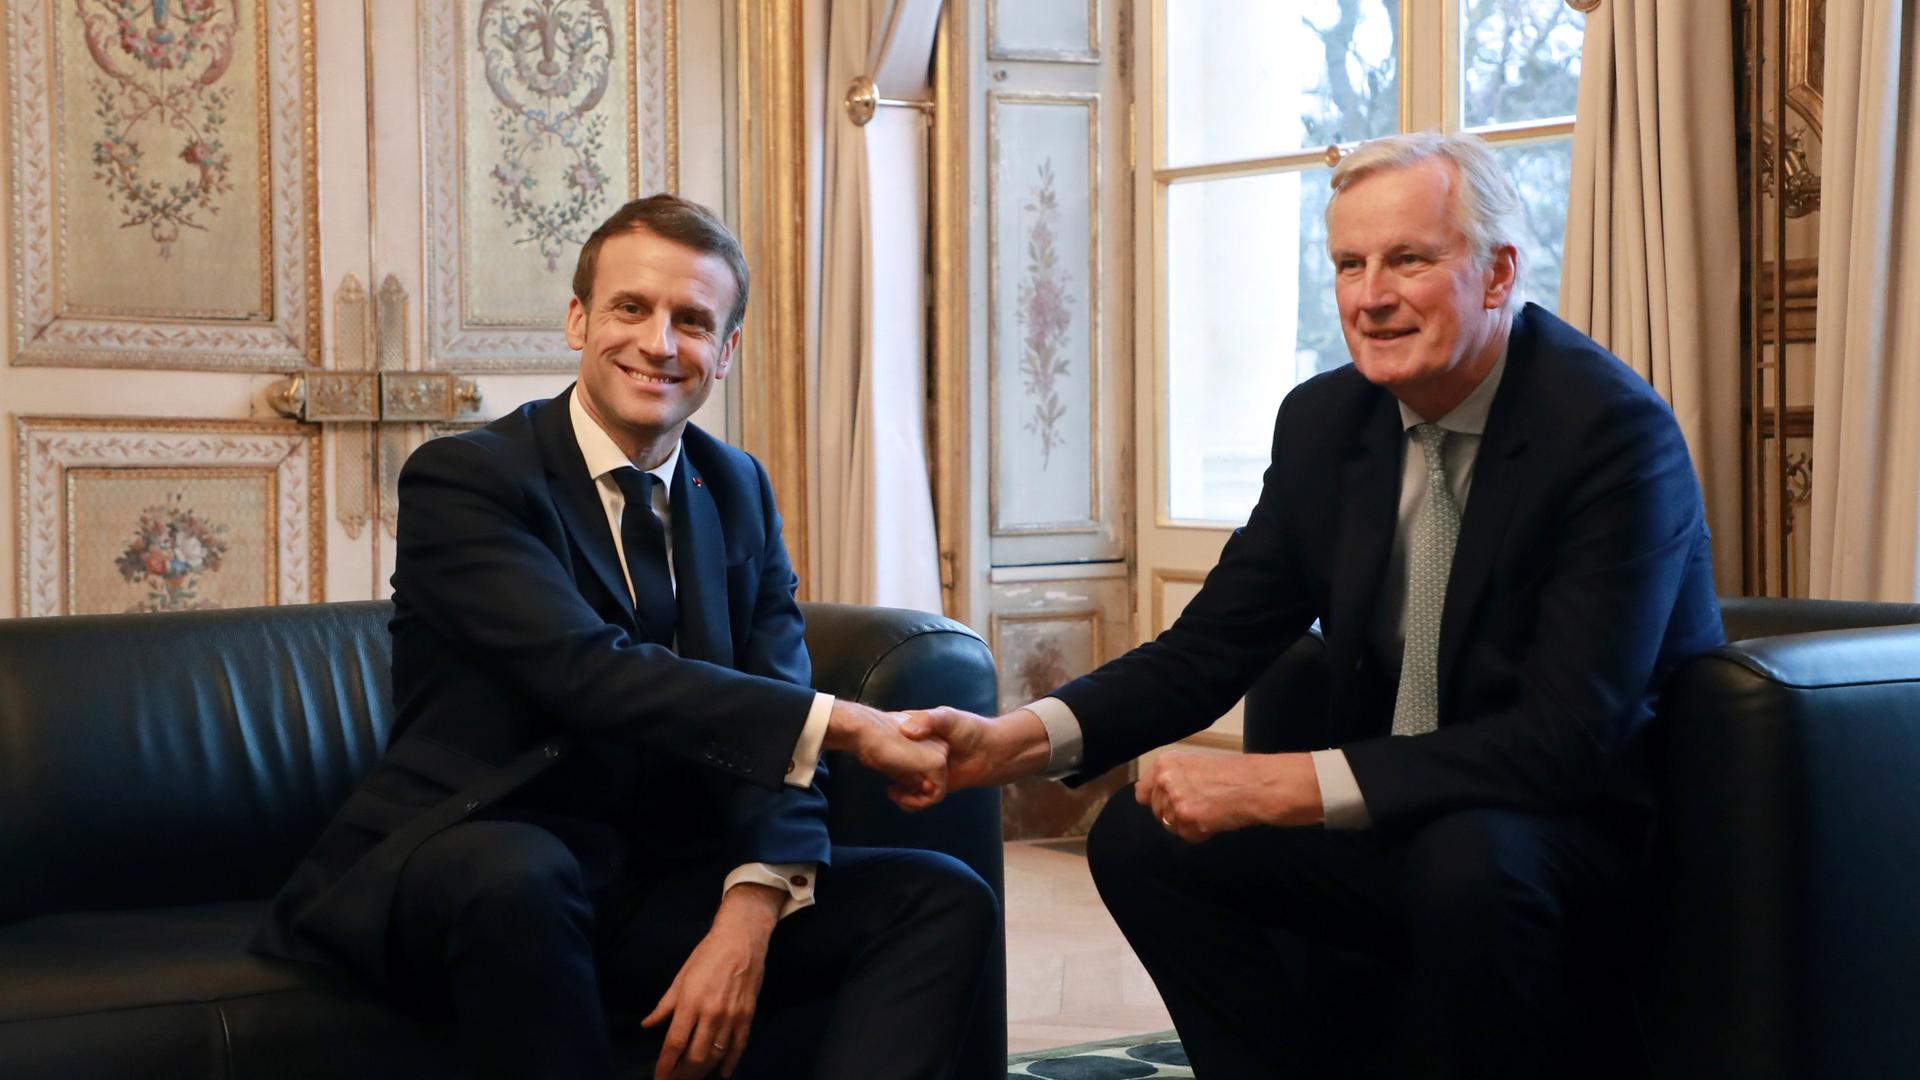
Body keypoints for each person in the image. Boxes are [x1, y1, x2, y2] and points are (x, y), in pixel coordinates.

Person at [900, 132, 1722, 1079]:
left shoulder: (1611, 433)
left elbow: (1564, 741)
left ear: (1497, 274)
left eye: (1409, 259)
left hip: (1574, 835)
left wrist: (1287, 786)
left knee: (1468, 863)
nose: (1370, 297)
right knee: (1141, 838)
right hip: (1402, 820)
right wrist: (1011, 743)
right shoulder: (1328, 421)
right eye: (1348, 264)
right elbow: (1209, 646)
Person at [253, 194, 996, 1080]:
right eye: (631, 309)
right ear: (579, 320)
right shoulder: (468, 478)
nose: (659, 343)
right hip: (475, 856)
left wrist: (753, 903)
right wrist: (848, 722)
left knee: (941, 897)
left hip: (652, 879)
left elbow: (775, 711)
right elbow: (586, 672)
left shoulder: (737, 488)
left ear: (725, 352)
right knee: (521, 873)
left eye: (692, 321)